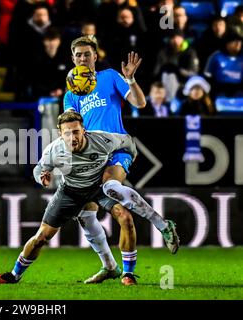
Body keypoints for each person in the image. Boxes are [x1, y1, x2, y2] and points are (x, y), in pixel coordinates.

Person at [63, 35, 179, 283]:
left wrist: (130, 79)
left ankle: (159, 227)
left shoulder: (110, 77)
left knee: (111, 185)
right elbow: (69, 131)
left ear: (95, 56)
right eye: (78, 55)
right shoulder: (71, 94)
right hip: (90, 156)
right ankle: (110, 266)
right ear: (72, 60)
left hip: (117, 148)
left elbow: (140, 102)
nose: (83, 58)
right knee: (89, 214)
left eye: (87, 54)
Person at [0, 111, 138, 285]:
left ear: (84, 130)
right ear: (60, 133)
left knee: (125, 217)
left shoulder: (103, 140)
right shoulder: (54, 149)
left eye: (76, 131)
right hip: (70, 191)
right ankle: (14, 275)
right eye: (67, 133)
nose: (72, 137)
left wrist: (126, 162)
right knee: (41, 237)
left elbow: (128, 142)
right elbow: (38, 169)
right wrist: (41, 177)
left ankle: (128, 274)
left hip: (98, 188)